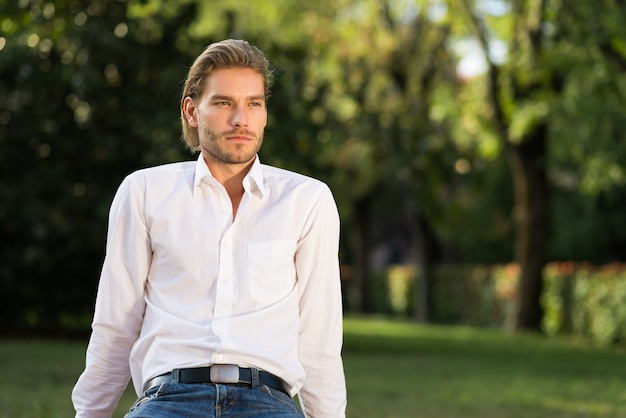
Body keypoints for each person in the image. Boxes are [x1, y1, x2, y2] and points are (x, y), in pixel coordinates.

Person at [72, 39, 347, 418]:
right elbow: (116, 323)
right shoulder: (145, 191)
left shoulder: (307, 200)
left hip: (268, 403)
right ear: (191, 111)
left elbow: (320, 341)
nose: (241, 119)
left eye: (254, 103)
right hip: (168, 400)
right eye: (223, 103)